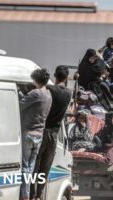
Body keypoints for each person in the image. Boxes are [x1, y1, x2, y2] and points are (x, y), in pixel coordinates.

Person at [30, 66, 71, 200]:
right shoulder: (68, 93)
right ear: (66, 78)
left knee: (34, 163)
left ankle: (31, 193)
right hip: (54, 135)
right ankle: (39, 194)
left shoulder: (49, 89)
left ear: (55, 76)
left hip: (41, 132)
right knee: (45, 167)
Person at [20, 69, 52, 200]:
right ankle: (28, 193)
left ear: (35, 80)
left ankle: (25, 195)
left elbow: (20, 105)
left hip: (28, 133)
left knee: (25, 166)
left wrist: (20, 94)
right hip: (39, 135)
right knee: (31, 166)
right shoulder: (49, 95)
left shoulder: (35, 93)